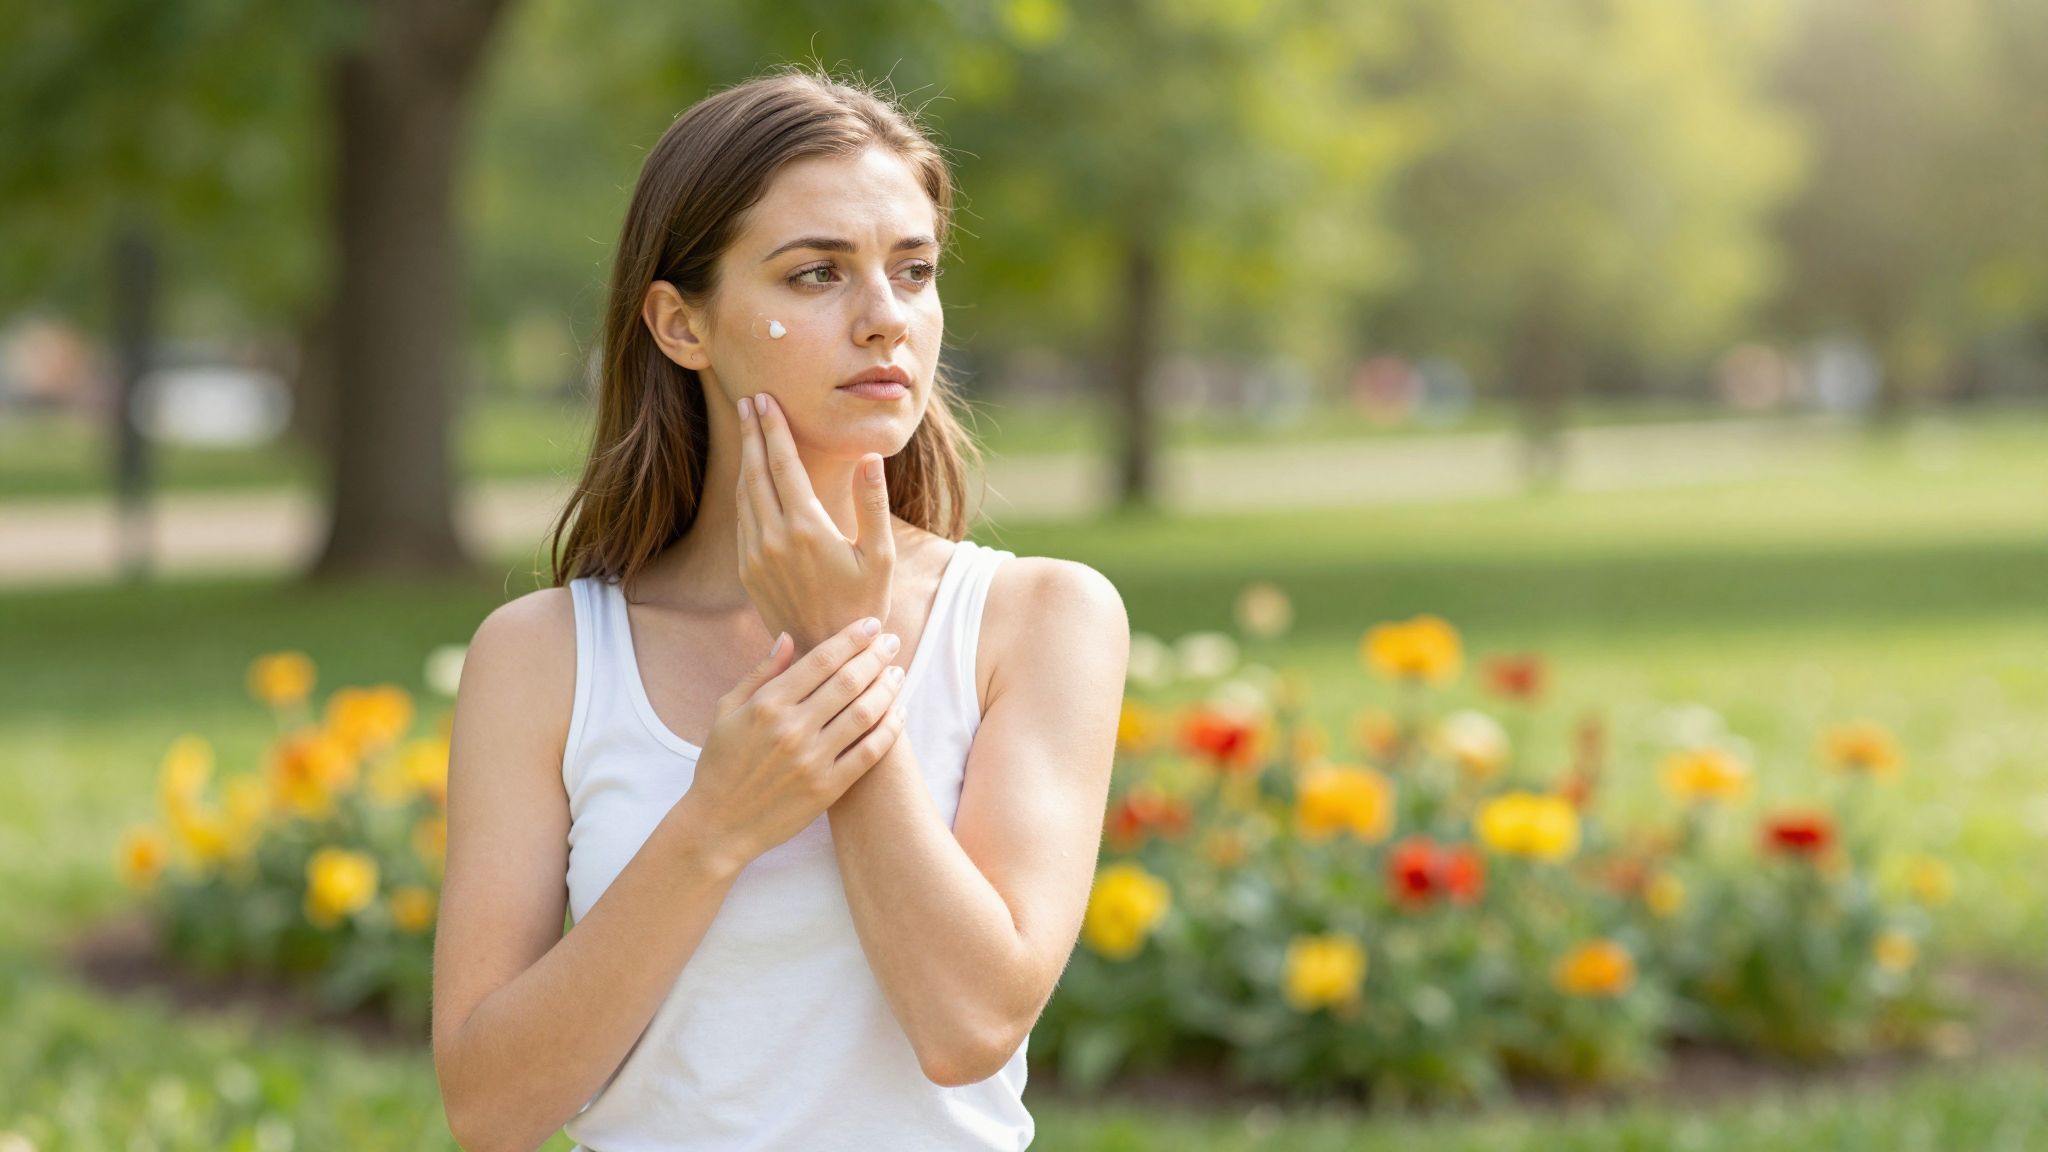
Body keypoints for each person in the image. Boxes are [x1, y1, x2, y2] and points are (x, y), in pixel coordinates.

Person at [428, 67, 1129, 1152]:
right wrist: (715, 825)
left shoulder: (1037, 619)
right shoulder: (543, 656)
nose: (885, 319)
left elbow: (969, 1027)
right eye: (816, 274)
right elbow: (489, 1107)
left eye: (914, 270)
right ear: (681, 324)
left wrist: (833, 656)